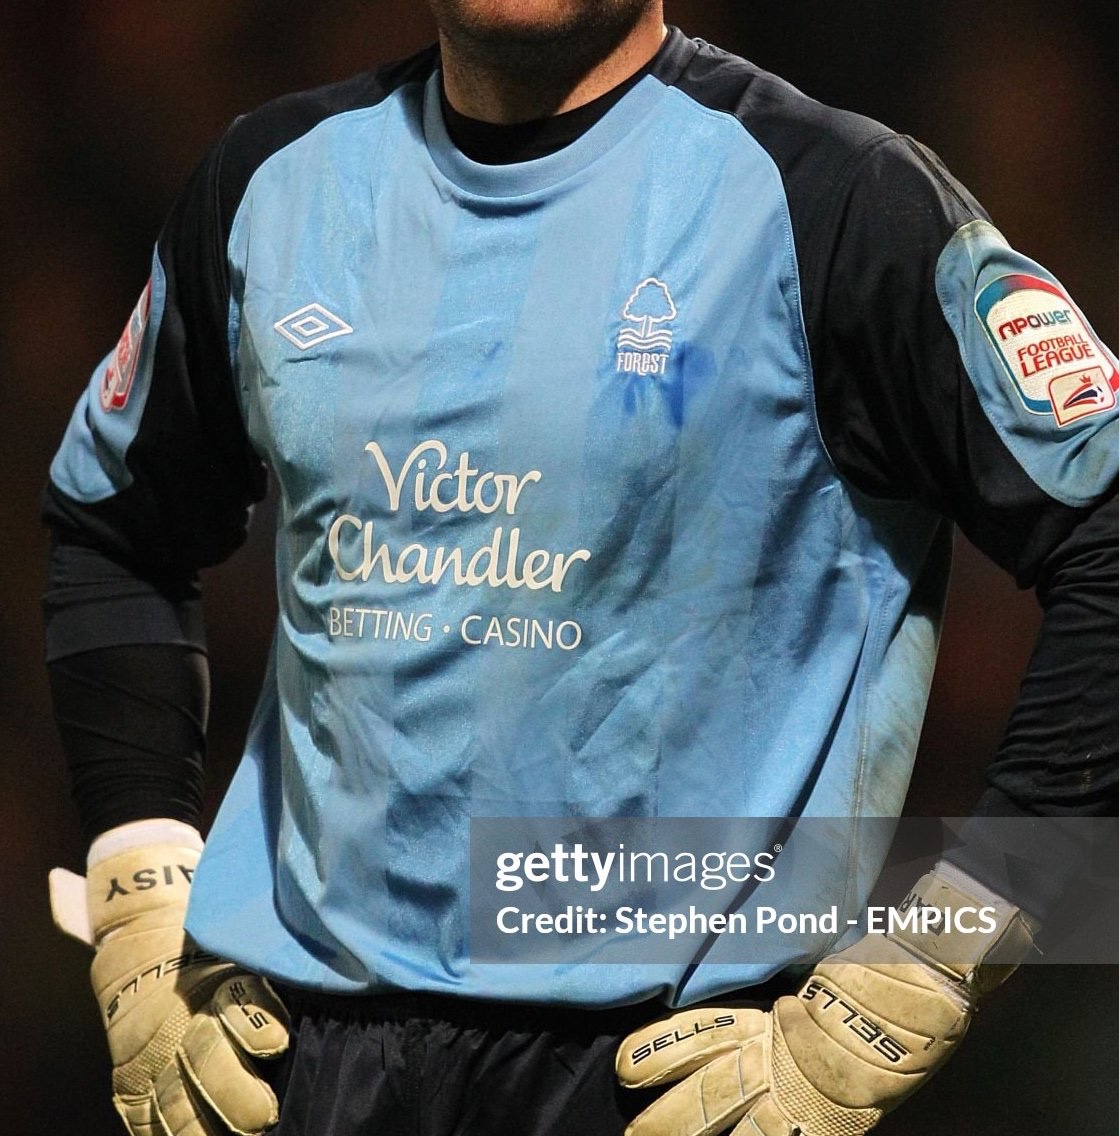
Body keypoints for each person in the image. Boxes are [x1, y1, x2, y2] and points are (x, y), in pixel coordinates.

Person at [42, 2, 1119, 1135]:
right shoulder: (270, 182)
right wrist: (140, 878)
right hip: (290, 1070)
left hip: (679, 1080)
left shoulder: (837, 201)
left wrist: (942, 951)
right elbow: (113, 522)